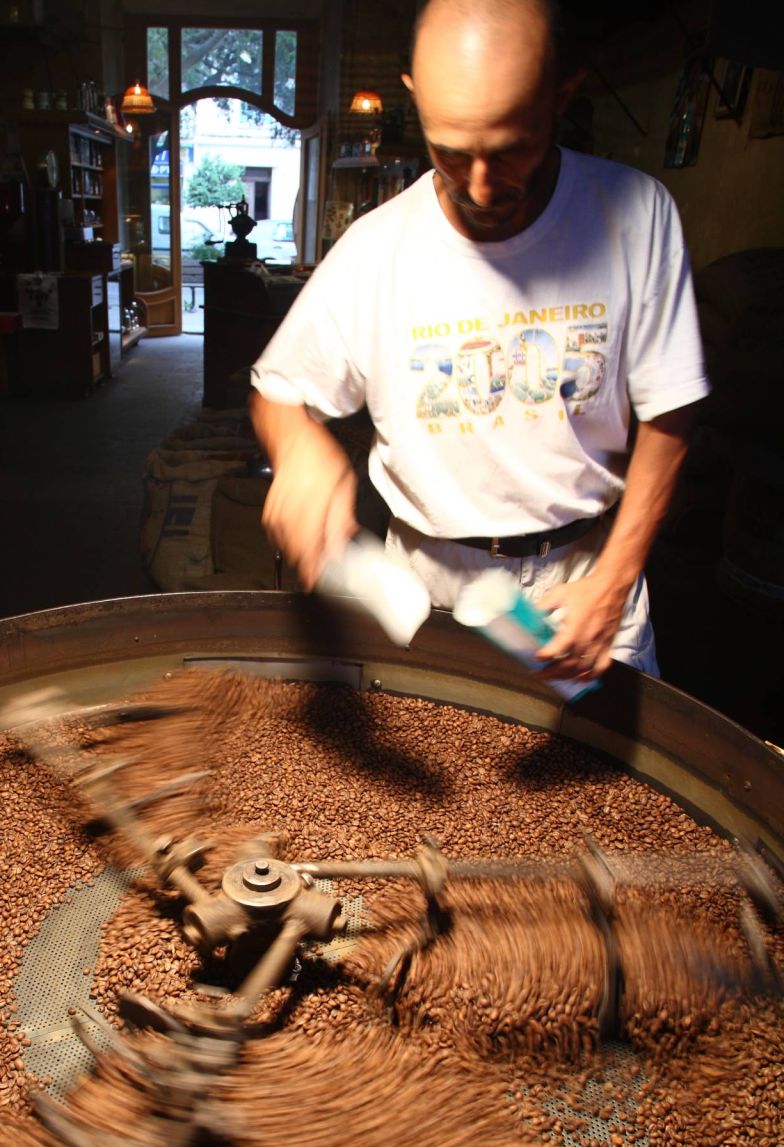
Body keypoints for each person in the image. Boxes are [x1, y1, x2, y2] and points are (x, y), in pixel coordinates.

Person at [249, 0, 710, 684]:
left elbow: (672, 408)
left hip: (582, 581)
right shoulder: (376, 250)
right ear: (415, 100)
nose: (481, 186)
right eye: (450, 153)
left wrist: (616, 577)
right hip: (431, 586)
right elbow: (279, 392)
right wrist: (296, 447)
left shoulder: (637, 215)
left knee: (599, 785)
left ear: (561, 97)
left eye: (509, 149)